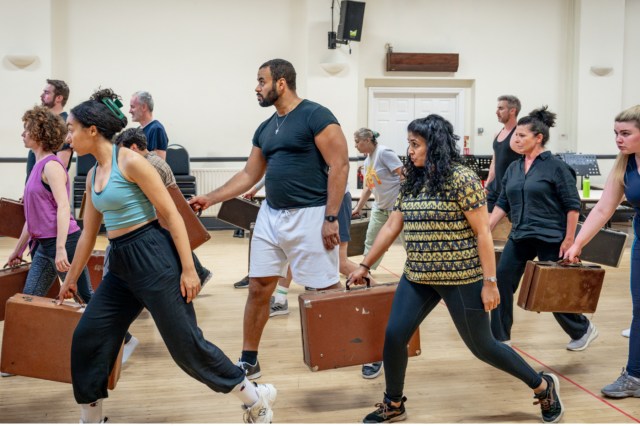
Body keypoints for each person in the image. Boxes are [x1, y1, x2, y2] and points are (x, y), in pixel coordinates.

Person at [58, 89, 276, 423]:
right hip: (120, 264)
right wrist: (70, 280)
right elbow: (88, 233)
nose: (67, 136)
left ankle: (253, 398)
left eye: (71, 128)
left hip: (153, 256)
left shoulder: (130, 161)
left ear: (91, 129)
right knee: (88, 336)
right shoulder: (91, 175)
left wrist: (189, 270)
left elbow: (172, 215)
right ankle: (92, 419)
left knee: (186, 346)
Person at [348, 114, 563, 424]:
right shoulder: (412, 179)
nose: (410, 151)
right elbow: (393, 224)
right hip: (419, 275)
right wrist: (365, 265)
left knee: (483, 347)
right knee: (395, 335)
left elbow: (483, 233)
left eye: (416, 144)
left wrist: (490, 283)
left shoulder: (461, 178)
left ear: (434, 146)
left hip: (461, 277)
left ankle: (543, 386)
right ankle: (393, 402)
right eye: (409, 144)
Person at [189, 58, 349, 380]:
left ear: (280, 83)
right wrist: (211, 197)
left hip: (311, 214)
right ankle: (249, 359)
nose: (256, 87)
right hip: (271, 216)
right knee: (258, 287)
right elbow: (249, 173)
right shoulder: (266, 127)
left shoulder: (316, 115)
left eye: (261, 81)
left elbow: (340, 164)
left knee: (326, 290)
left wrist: (331, 217)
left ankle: (362, 347)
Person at [488, 106, 597, 350]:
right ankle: (500, 338)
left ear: (539, 138)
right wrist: (486, 229)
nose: (516, 139)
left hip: (552, 237)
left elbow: (572, 205)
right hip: (520, 235)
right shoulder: (514, 168)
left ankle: (582, 329)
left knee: (552, 292)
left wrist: (570, 239)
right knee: (501, 281)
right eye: (515, 135)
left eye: (522, 136)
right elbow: (503, 202)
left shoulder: (556, 167)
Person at [564, 105, 640, 398]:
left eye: (626, 133)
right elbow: (603, 209)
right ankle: (635, 376)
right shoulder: (625, 165)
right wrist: (578, 243)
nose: (619, 140)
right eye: (616, 134)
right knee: (639, 311)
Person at [7, 106, 93, 301]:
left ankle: (123, 334)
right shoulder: (37, 167)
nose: (23, 133)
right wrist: (17, 250)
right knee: (29, 300)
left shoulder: (51, 166)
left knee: (86, 298)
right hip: (44, 246)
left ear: (38, 133)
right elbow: (32, 218)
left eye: (26, 129)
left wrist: (61, 248)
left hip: (65, 242)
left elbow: (64, 207)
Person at [27, 79, 73, 179]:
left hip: (46, 191)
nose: (41, 95)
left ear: (59, 98)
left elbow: (61, 166)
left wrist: (40, 186)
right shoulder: (44, 122)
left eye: (46, 92)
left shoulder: (65, 123)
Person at [485, 95, 522, 212]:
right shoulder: (497, 133)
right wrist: (487, 184)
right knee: (486, 226)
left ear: (512, 111)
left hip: (511, 192)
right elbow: (494, 164)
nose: (496, 112)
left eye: (501, 108)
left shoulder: (519, 135)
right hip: (494, 189)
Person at [129, 91, 168, 160]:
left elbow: (158, 165)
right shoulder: (138, 130)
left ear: (144, 107)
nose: (130, 111)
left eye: (132, 107)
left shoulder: (156, 129)